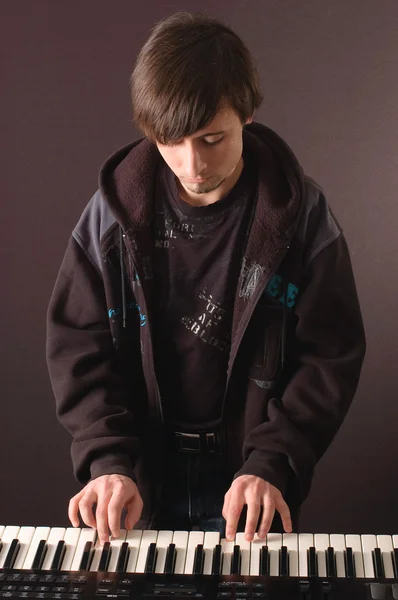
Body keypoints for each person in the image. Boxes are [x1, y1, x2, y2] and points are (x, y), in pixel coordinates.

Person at [46, 11, 366, 547]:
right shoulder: (110, 217)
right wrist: (106, 458)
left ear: (247, 112)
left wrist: (273, 462)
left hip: (251, 488)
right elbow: (79, 345)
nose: (192, 165)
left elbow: (329, 355)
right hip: (136, 480)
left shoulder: (303, 216)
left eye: (212, 138)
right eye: (171, 142)